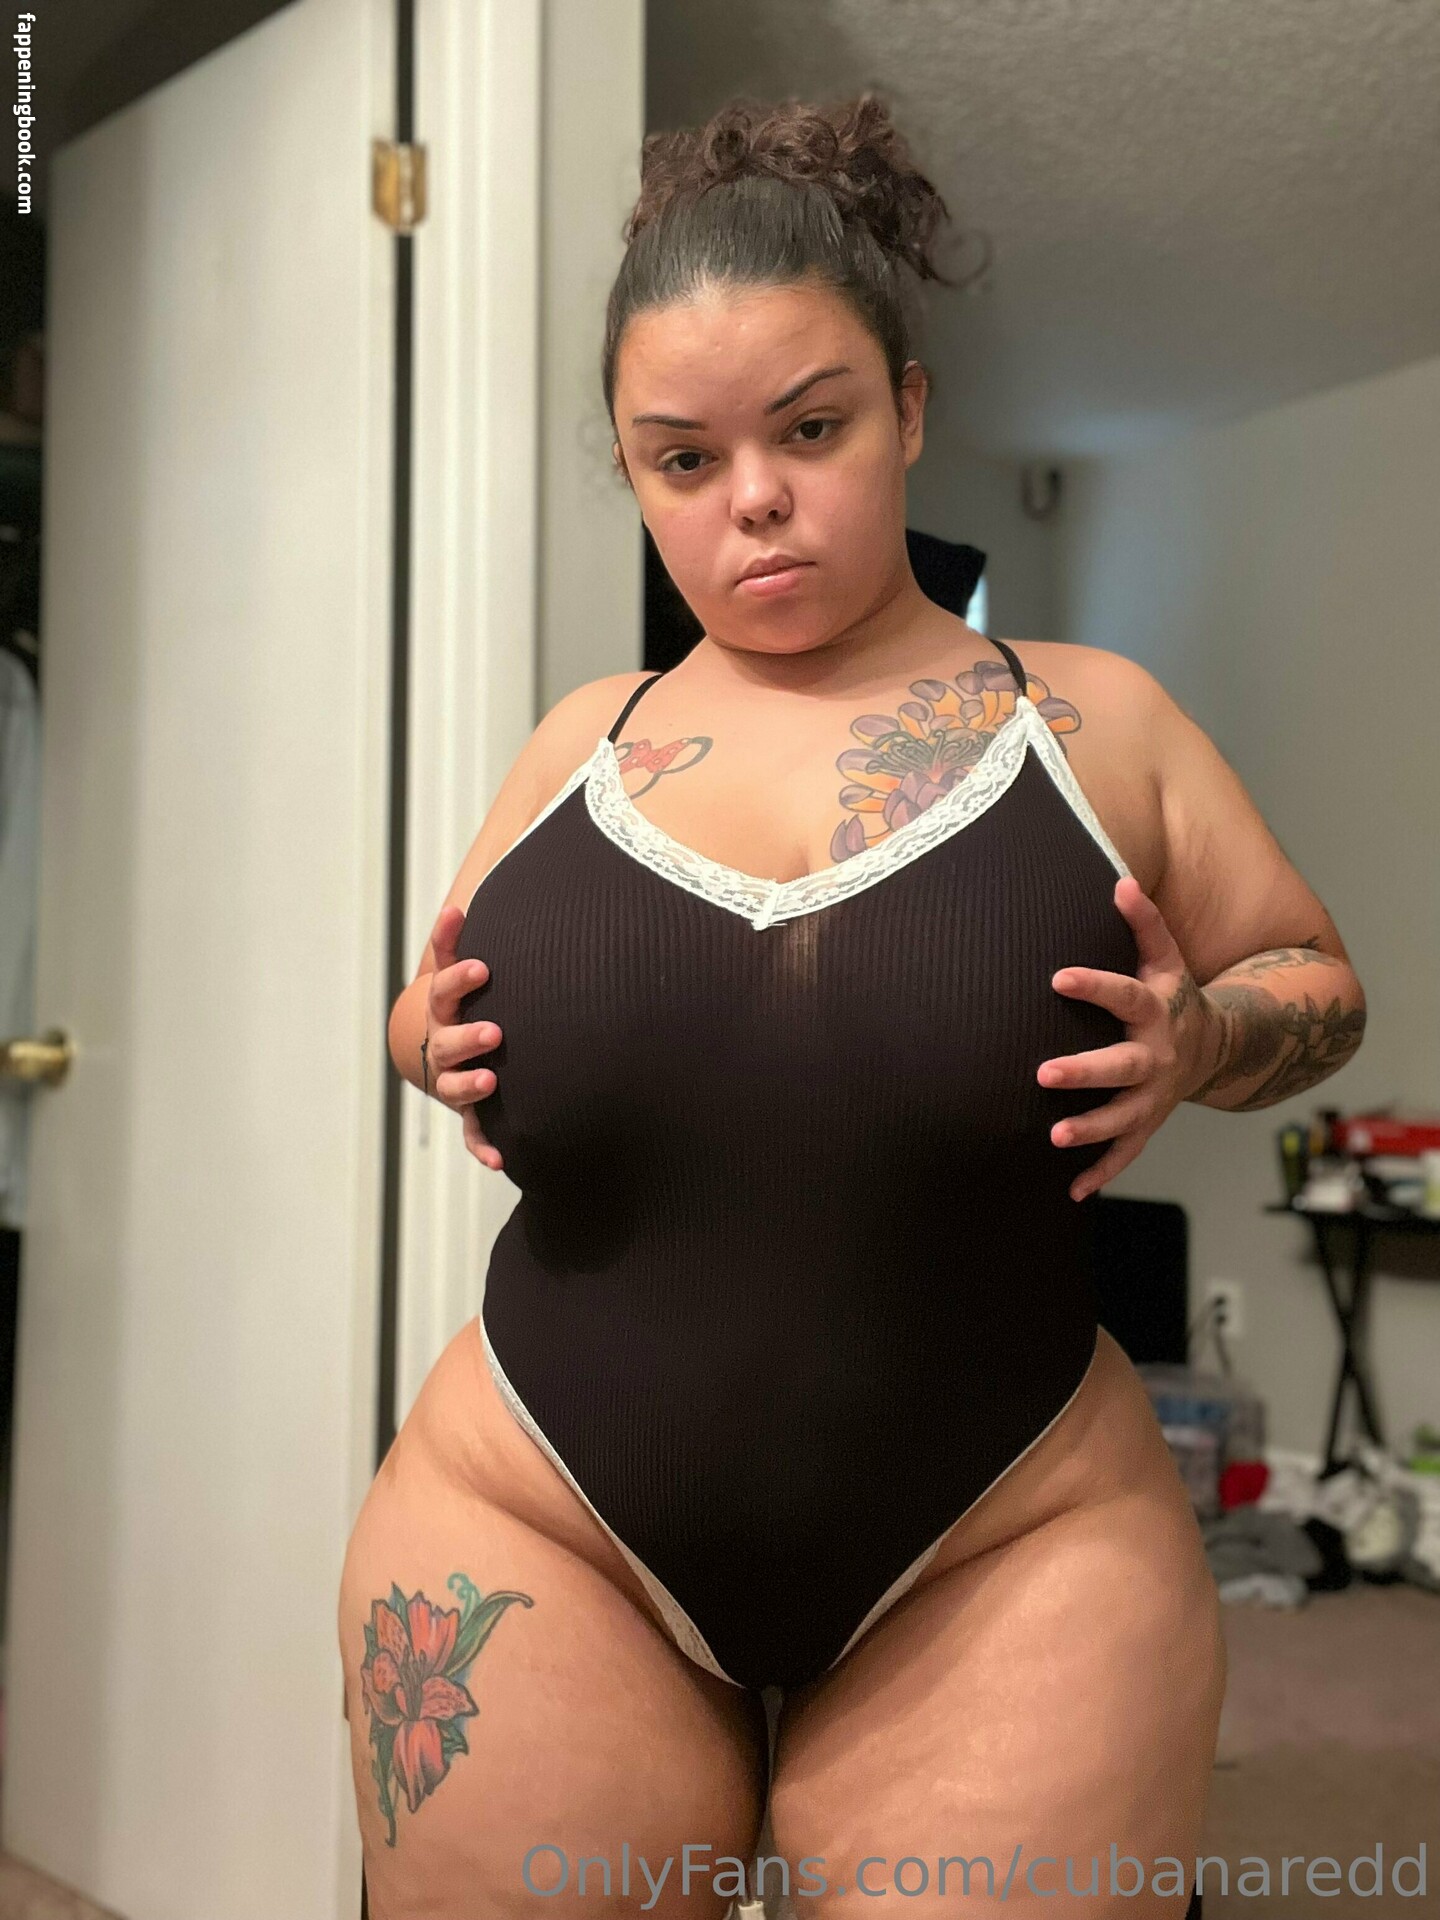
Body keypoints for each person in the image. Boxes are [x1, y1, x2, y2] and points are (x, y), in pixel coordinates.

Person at [340, 94, 1367, 1920]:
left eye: (809, 429)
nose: (751, 496)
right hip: (540, 1526)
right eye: (681, 458)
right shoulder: (582, 744)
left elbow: (1318, 984)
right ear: (635, 472)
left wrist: (1209, 1038)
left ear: (908, 408)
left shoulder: (1096, 724)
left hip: (1005, 1542)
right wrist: (434, 1047)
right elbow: (423, 1016)